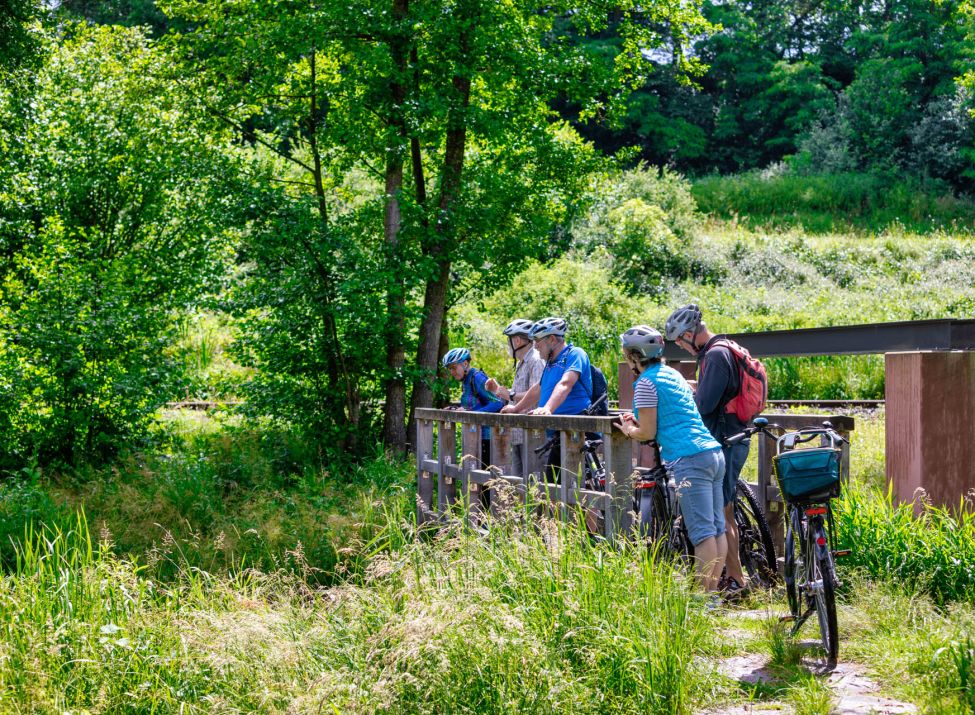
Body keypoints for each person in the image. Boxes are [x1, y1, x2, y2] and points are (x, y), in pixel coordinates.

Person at [614, 325, 727, 592]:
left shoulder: (645, 383)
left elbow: (648, 432)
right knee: (716, 528)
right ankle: (712, 596)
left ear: (633, 356)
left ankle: (703, 600)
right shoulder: (671, 375)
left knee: (701, 533)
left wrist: (629, 429)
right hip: (713, 453)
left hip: (689, 458)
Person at [665, 303, 749, 597]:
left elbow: (704, 407)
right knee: (723, 514)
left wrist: (690, 394)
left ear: (689, 333)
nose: (679, 345)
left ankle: (736, 580)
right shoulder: (723, 349)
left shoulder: (714, 356)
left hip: (724, 440)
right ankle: (731, 577)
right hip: (733, 437)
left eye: (679, 339)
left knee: (722, 517)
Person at [502, 317, 592, 481]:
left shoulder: (575, 354)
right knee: (551, 486)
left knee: (577, 487)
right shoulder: (550, 362)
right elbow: (537, 389)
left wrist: (548, 408)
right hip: (557, 433)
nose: (535, 345)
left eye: (538, 341)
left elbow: (566, 383)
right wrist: (516, 408)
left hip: (577, 432)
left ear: (552, 339)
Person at [484, 319, 545, 476]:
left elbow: (536, 395)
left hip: (533, 434)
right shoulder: (521, 362)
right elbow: (520, 394)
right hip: (518, 433)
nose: (508, 345)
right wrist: (497, 390)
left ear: (516, 340)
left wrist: (508, 394)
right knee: (519, 486)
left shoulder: (535, 360)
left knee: (534, 486)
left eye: (508, 340)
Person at [441, 347, 503, 467]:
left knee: (486, 480)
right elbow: (473, 403)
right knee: (474, 478)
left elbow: (497, 402)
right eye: (449, 369)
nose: (452, 372)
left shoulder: (477, 377)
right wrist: (456, 409)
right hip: (474, 435)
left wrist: (472, 413)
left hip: (487, 437)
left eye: (454, 367)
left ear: (465, 364)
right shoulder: (465, 380)